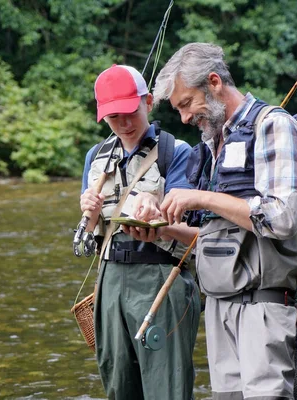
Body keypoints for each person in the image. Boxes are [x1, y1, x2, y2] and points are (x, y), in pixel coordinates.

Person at [144, 42, 297, 399]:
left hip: (263, 306)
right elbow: (211, 237)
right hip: (218, 307)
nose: (184, 118)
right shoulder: (210, 147)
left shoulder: (274, 126)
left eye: (187, 103)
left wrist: (201, 197)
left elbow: (282, 217)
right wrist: (157, 231)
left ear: (214, 82)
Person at [80, 64, 201, 400]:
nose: (124, 123)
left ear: (148, 101)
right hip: (110, 282)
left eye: (130, 112)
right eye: (113, 117)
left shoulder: (176, 153)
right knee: (118, 383)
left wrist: (159, 216)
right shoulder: (95, 158)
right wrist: (87, 215)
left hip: (162, 277)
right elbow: (89, 237)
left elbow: (197, 233)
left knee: (168, 386)